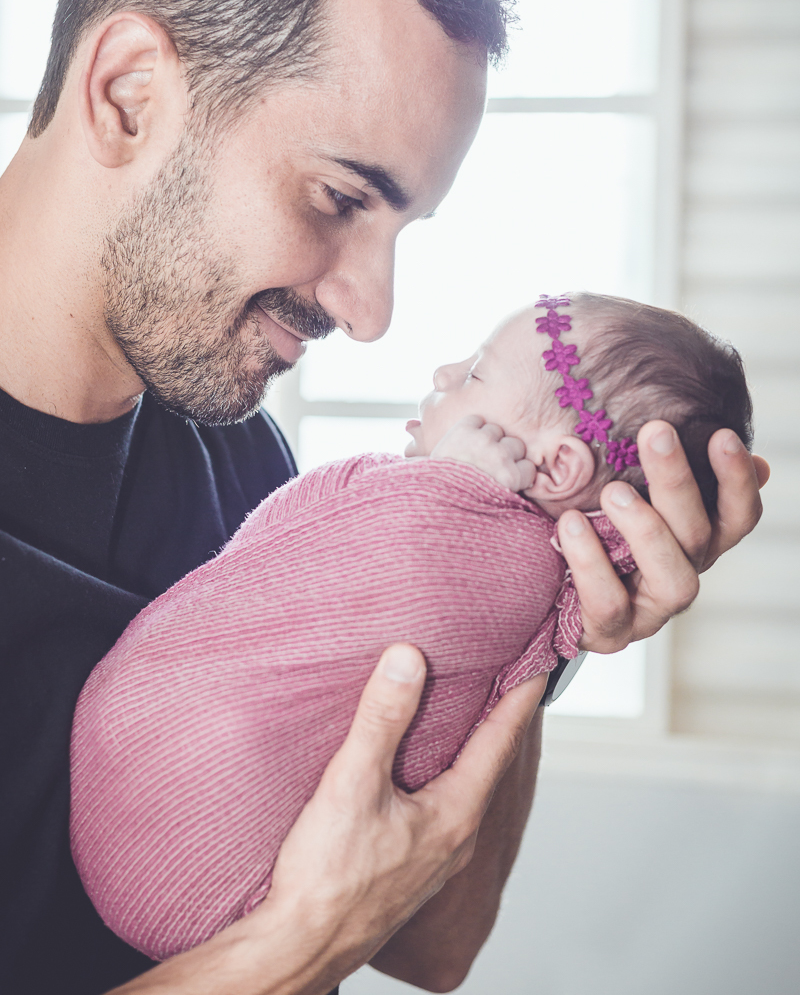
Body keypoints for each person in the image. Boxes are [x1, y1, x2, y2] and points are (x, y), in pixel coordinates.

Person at [0, 0, 766, 995]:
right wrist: (285, 952)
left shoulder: (240, 464)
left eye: (401, 232)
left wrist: (551, 597)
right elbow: (329, 929)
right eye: (336, 196)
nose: (371, 312)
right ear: (128, 94)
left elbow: (430, 942)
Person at [68, 291, 755, 964]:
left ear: (554, 465)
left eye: (476, 372)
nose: (443, 376)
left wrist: (565, 616)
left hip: (190, 859)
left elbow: (437, 956)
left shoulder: (252, 447)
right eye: (340, 193)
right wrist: (278, 953)